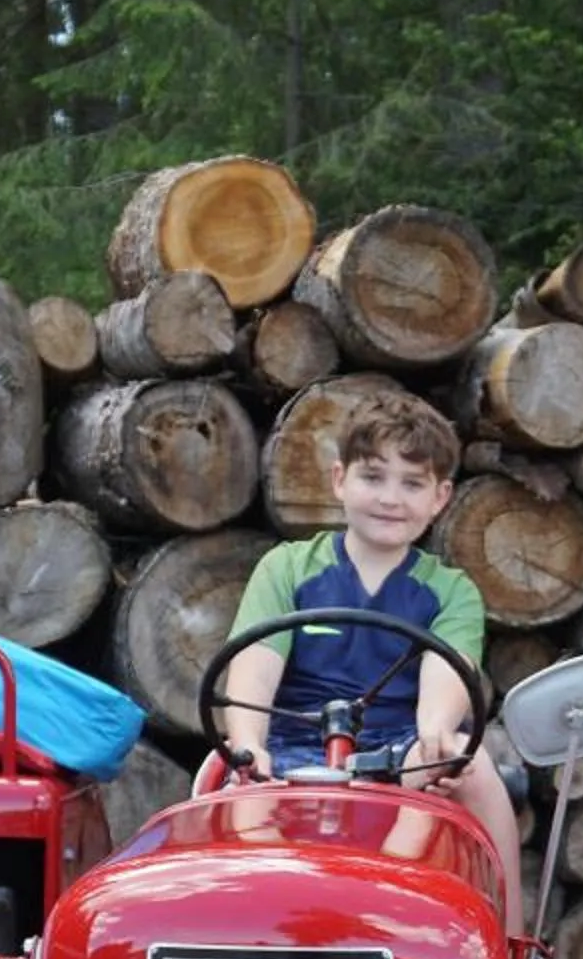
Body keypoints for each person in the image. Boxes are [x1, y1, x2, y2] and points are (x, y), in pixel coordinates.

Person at [217, 391, 524, 922]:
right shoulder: (288, 568)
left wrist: (434, 737)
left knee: (471, 766)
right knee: (231, 786)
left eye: (412, 483)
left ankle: (511, 947)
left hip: (395, 754)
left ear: (440, 497)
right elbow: (256, 662)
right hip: (291, 749)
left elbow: (447, 674)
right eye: (373, 477)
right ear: (340, 480)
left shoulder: (451, 591)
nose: (390, 498)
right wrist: (248, 745)